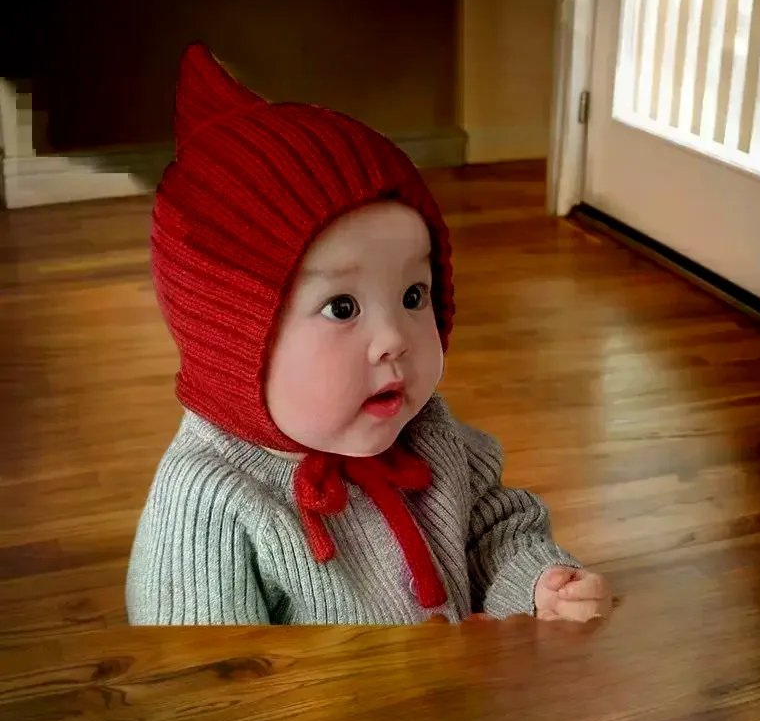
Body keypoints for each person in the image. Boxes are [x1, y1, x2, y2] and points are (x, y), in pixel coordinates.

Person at [125, 41, 612, 626]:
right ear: (232, 341)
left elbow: (491, 527)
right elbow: (207, 686)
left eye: (413, 296)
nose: (393, 339)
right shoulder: (212, 502)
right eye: (341, 306)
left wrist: (537, 581)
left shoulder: (424, 428)